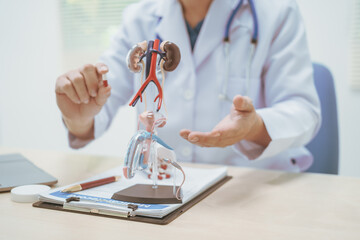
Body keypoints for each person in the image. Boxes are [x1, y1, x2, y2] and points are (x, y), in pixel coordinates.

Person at [55, 0, 321, 172]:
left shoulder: (277, 12)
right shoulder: (138, 18)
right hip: (162, 190)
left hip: (251, 188)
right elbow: (100, 99)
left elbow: (304, 110)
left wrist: (254, 127)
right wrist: (78, 116)